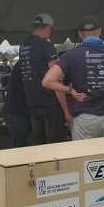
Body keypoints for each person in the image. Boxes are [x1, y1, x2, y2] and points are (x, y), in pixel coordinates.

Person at [43, 15, 104, 140]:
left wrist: (70, 90)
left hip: (85, 118)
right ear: (100, 31)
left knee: (84, 153)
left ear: (80, 34)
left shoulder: (71, 55)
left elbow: (47, 81)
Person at [19, 13, 71, 144]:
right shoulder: (46, 46)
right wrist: (66, 111)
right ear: (48, 28)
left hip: (32, 101)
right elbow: (56, 79)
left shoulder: (23, 46)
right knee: (55, 143)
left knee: (38, 141)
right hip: (50, 102)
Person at [2, 62, 30, 147]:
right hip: (17, 111)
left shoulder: (24, 64)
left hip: (19, 110)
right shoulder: (25, 65)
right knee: (19, 146)